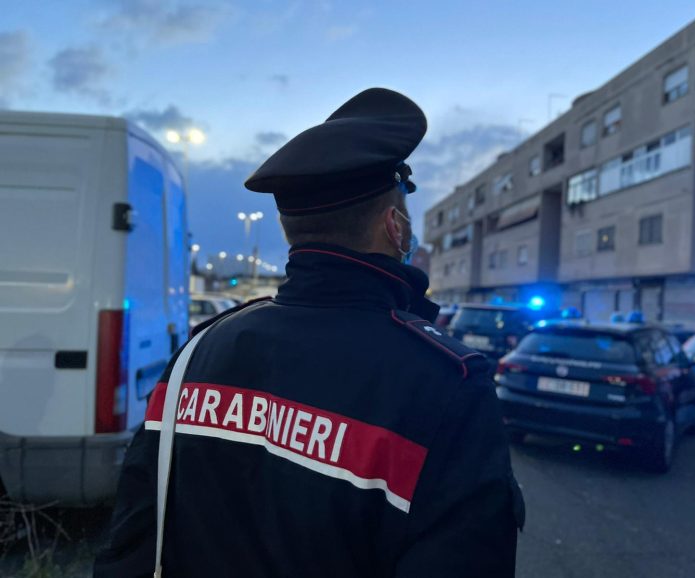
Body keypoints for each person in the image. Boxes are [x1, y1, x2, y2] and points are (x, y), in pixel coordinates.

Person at [94, 87, 524, 578]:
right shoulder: (446, 382)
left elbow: (130, 541)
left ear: (289, 231)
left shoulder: (199, 349)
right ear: (395, 227)